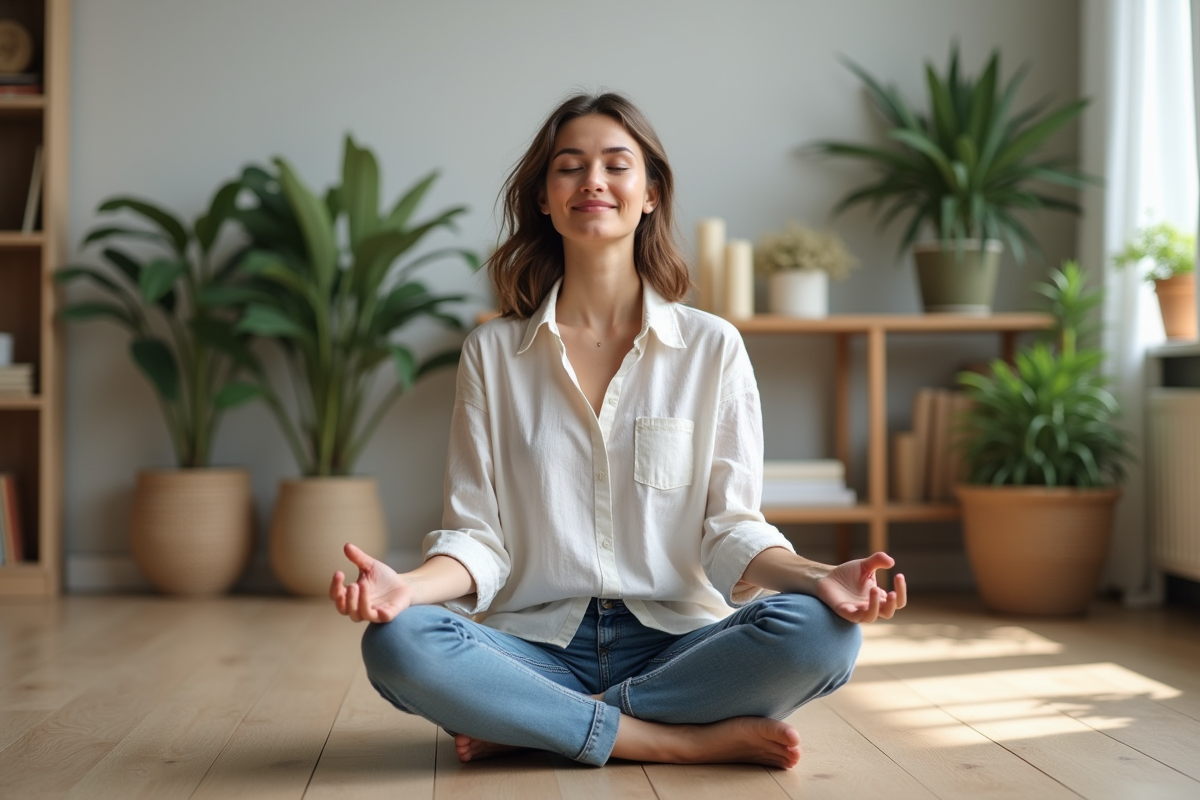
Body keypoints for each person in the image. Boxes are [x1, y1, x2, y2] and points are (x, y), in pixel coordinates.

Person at [330, 91, 906, 770]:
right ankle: (663, 738)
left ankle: (537, 724)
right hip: (534, 646)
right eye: (569, 167)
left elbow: (730, 531)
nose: (593, 181)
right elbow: (478, 540)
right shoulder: (493, 353)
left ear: (651, 191)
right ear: (544, 197)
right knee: (398, 643)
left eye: (616, 164)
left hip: (677, 644)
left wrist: (817, 577)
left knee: (823, 636)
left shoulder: (711, 348)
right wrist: (407, 588)